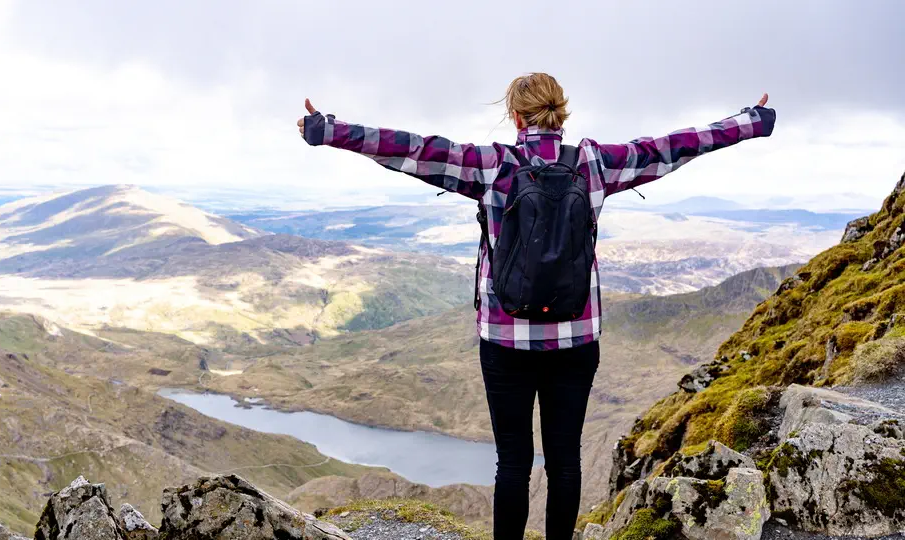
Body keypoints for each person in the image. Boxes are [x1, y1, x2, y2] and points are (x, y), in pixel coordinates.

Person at [297, 73, 775, 540]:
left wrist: (327, 131)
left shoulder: (490, 165)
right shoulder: (594, 164)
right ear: (561, 112)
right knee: (565, 459)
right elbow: (677, 144)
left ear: (515, 114)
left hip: (505, 340)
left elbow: (411, 148)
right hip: (577, 337)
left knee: (514, 463)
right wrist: (752, 120)